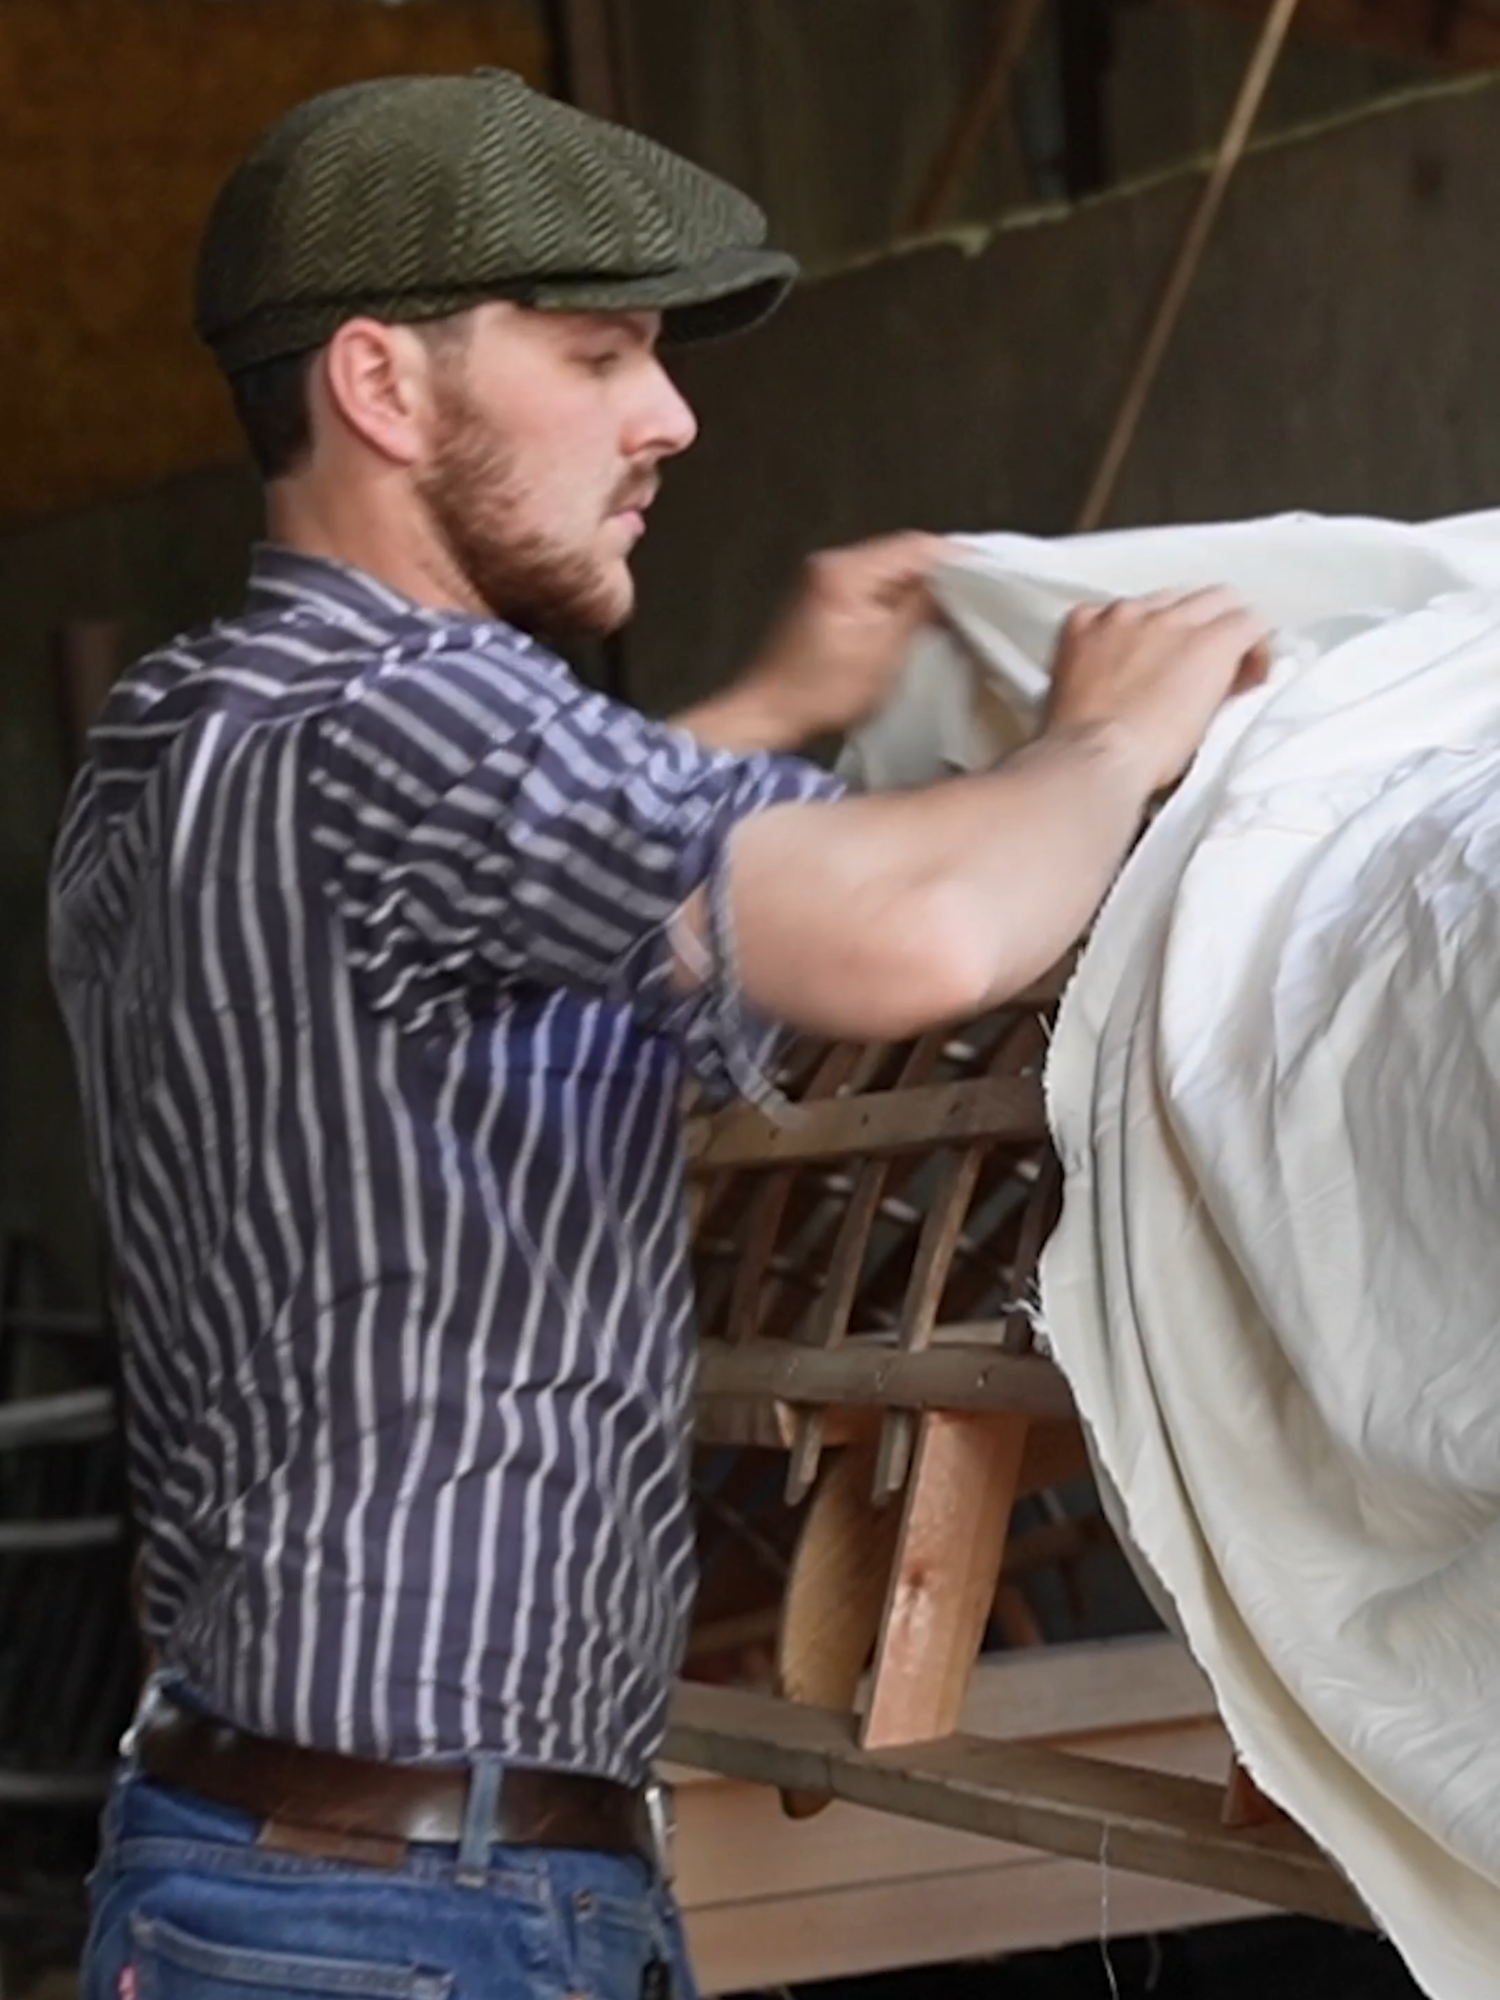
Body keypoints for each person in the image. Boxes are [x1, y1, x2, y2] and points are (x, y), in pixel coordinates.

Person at [48, 67, 1270, 2000]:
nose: (670, 417)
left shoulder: (187, 740)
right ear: (382, 385)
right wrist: (1110, 739)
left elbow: (495, 922)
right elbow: (919, 928)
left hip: (290, 1870)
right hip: (410, 1916)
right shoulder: (411, 715)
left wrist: (771, 708)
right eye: (601, 353)